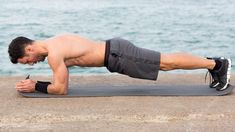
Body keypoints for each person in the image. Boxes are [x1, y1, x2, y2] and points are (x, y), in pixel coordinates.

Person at [8, 34, 231, 95]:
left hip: (118, 55)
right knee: (166, 62)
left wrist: (35, 86)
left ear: (29, 49)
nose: (30, 64)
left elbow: (61, 89)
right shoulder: (55, 42)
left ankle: (216, 65)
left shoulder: (55, 53)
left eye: (26, 61)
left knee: (167, 63)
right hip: (115, 52)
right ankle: (212, 63)